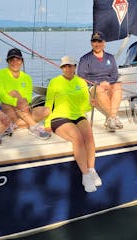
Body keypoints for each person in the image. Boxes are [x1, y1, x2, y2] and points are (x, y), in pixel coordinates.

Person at [44, 56, 101, 193]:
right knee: (77, 138)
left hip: (78, 115)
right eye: (65, 66)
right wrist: (47, 123)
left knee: (89, 137)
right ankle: (85, 175)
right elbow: (48, 103)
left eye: (70, 66)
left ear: (75, 67)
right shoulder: (54, 82)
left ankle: (92, 169)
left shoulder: (81, 82)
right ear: (61, 68)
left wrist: (91, 104)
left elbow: (84, 105)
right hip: (59, 117)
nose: (68, 68)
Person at [0, 48, 51, 139]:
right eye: (12, 60)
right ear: (7, 61)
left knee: (46, 110)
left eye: (18, 59)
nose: (15, 62)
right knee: (14, 93)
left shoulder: (27, 78)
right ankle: (33, 126)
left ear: (22, 61)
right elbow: (1, 95)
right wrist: (17, 101)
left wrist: (22, 102)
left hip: (24, 109)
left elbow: (28, 97)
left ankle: (15, 125)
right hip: (7, 109)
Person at [77, 31, 122, 132]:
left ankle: (112, 117)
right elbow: (81, 77)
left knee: (118, 85)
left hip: (108, 84)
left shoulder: (110, 57)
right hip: (92, 87)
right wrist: (98, 83)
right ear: (91, 43)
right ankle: (113, 117)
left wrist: (107, 82)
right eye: (94, 41)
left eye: (99, 41)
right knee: (99, 88)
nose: (97, 44)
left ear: (104, 43)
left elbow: (115, 75)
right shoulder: (85, 59)